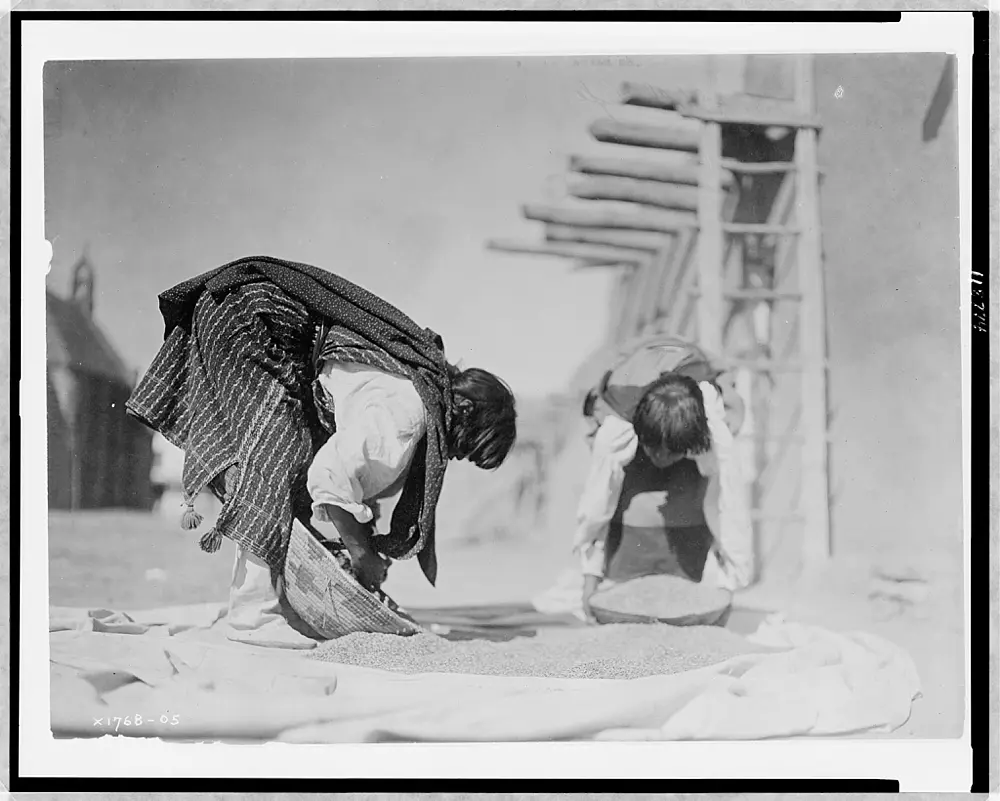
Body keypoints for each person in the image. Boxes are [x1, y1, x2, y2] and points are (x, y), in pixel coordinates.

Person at [127, 255, 517, 648]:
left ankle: (271, 602)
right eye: (466, 447)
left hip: (248, 312)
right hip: (254, 319)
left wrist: (356, 538)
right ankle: (253, 617)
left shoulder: (418, 386)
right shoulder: (409, 413)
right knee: (277, 457)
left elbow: (349, 469)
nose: (452, 457)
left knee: (288, 458)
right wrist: (362, 554)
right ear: (465, 411)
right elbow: (330, 477)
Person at [570, 334, 753, 623]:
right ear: (639, 435)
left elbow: (729, 506)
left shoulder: (714, 424)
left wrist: (728, 585)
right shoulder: (615, 427)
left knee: (696, 490)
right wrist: (590, 580)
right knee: (629, 490)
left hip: (688, 377)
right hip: (637, 381)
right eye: (655, 451)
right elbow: (596, 505)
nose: (662, 461)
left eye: (673, 454)